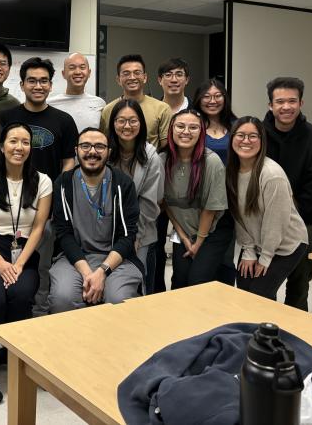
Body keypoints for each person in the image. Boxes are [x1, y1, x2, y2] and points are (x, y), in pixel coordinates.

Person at [0, 123, 52, 395]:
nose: (19, 147)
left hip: (23, 252)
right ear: (2, 146)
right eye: (13, 141)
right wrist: (1, 263)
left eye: (25, 142)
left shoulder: (43, 181)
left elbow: (38, 228)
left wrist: (18, 264)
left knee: (21, 295)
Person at [0, 57, 77, 316]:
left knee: (42, 265)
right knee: (8, 261)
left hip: (47, 207)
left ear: (51, 85)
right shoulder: (6, 118)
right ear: (21, 84)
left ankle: (39, 315)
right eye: (32, 80)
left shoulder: (64, 120)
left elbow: (69, 162)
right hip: (9, 207)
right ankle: (10, 313)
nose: (38, 85)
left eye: (44, 81)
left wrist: (52, 195)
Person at [49, 128, 143, 312]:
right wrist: (87, 273)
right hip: (74, 258)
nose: (92, 151)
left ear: (109, 152)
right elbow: (64, 234)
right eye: (85, 146)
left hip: (116, 259)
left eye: (99, 146)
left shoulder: (122, 184)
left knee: (119, 299)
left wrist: (102, 272)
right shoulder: (63, 183)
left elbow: (127, 236)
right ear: (76, 150)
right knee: (63, 298)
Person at [263, 77, 312, 311]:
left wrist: (288, 217)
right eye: (279, 101)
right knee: (261, 282)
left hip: (301, 218)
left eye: (292, 101)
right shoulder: (258, 135)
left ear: (301, 103)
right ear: (270, 105)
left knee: (300, 282)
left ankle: (296, 332)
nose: (286, 107)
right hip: (261, 218)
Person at [227, 117, 309, 300]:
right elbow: (239, 215)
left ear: (262, 141)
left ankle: (268, 329)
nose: (246, 141)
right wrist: (248, 250)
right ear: (232, 138)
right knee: (244, 290)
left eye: (252, 136)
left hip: (285, 244)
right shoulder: (231, 172)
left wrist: (265, 257)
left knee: (259, 294)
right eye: (240, 135)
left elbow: (276, 222)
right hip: (255, 242)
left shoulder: (272, 174)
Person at [161, 109, 228, 289]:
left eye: (193, 127)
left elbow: (210, 209)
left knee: (198, 283)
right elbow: (166, 204)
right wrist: (183, 237)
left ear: (201, 132)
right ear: (171, 130)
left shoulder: (211, 162)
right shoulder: (162, 160)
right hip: (183, 231)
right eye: (180, 126)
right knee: (179, 284)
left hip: (210, 232)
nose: (186, 132)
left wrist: (197, 243)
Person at [107, 99, 164, 294]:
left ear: (141, 123)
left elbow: (150, 203)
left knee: (138, 287)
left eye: (133, 121)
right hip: (105, 233)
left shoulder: (151, 157)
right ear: (113, 123)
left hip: (140, 234)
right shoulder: (104, 153)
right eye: (121, 121)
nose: (127, 126)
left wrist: (132, 237)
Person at [191, 78, 238, 287]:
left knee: (226, 258)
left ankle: (224, 301)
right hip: (198, 201)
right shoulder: (193, 125)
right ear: (199, 99)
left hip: (229, 201)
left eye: (217, 95)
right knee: (199, 259)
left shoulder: (235, 126)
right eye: (207, 96)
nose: (212, 100)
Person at [100, 54, 172, 150]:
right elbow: (104, 144)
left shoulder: (162, 108)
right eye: (126, 73)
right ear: (118, 80)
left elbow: (165, 149)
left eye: (137, 73)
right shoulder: (108, 110)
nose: (132, 77)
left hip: (150, 163)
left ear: (145, 77)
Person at [48, 52, 105, 133]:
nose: (78, 72)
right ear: (63, 74)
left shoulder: (99, 104)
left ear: (89, 73)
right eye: (72, 68)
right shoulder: (50, 104)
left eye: (82, 67)